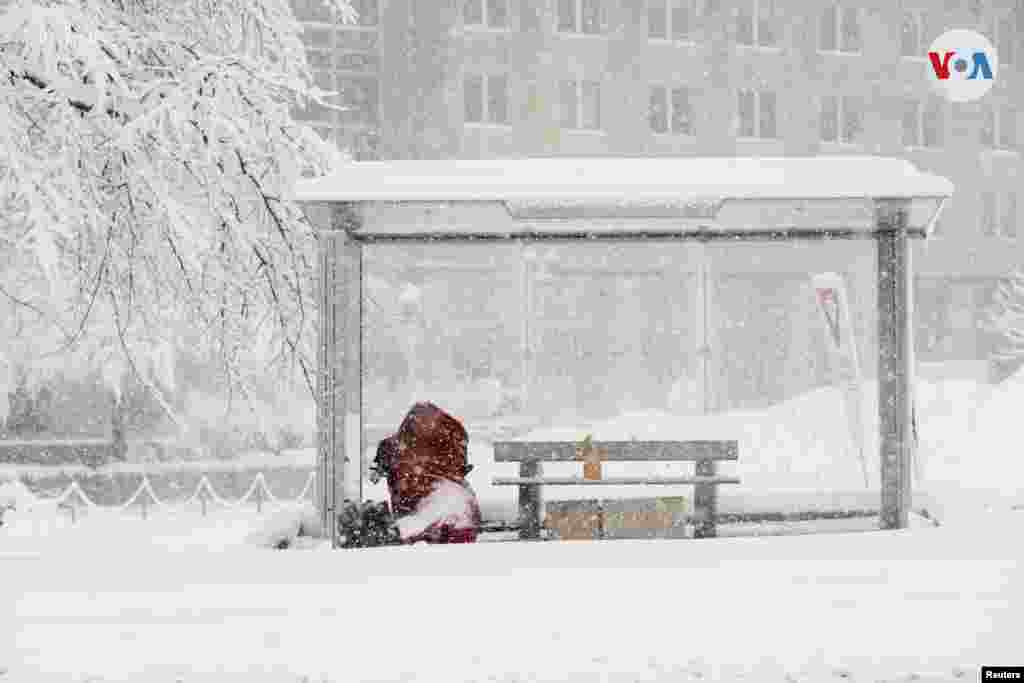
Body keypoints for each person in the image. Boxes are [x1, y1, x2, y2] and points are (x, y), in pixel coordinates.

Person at [367, 402, 481, 545]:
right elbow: (457, 465)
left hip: (415, 500)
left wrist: (379, 468)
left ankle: (418, 534)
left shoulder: (396, 446)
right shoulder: (449, 438)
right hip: (435, 502)